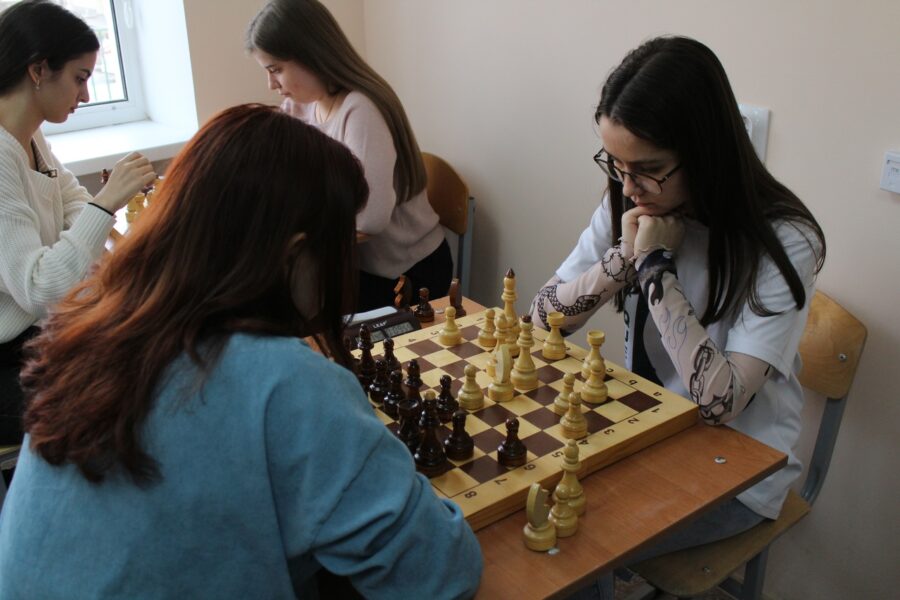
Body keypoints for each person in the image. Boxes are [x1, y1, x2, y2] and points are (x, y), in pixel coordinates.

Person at [0, 104, 482, 599]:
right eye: (340, 247)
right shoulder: (285, 382)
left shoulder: (89, 330)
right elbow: (440, 573)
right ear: (295, 254)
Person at [529, 36, 825, 597]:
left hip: (740, 467)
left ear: (705, 151)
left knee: (569, 547)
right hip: (645, 427)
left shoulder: (785, 240)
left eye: (648, 169)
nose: (628, 187)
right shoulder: (630, 199)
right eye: (616, 165)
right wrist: (622, 261)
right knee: (533, 502)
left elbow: (721, 401)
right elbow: (542, 316)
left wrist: (655, 268)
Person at [0, 0, 156, 445]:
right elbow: (41, 287)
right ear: (38, 70)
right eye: (80, 78)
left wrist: (93, 214)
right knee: (129, 391)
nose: (85, 96)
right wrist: (108, 202)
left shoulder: (29, 135)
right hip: (7, 359)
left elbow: (71, 199)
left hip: (34, 336)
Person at [246, 0, 453, 313]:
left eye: (276, 70)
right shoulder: (300, 107)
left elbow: (370, 219)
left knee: (296, 304)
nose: (271, 84)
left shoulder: (360, 110)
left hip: (408, 273)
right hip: (360, 266)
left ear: (310, 54)